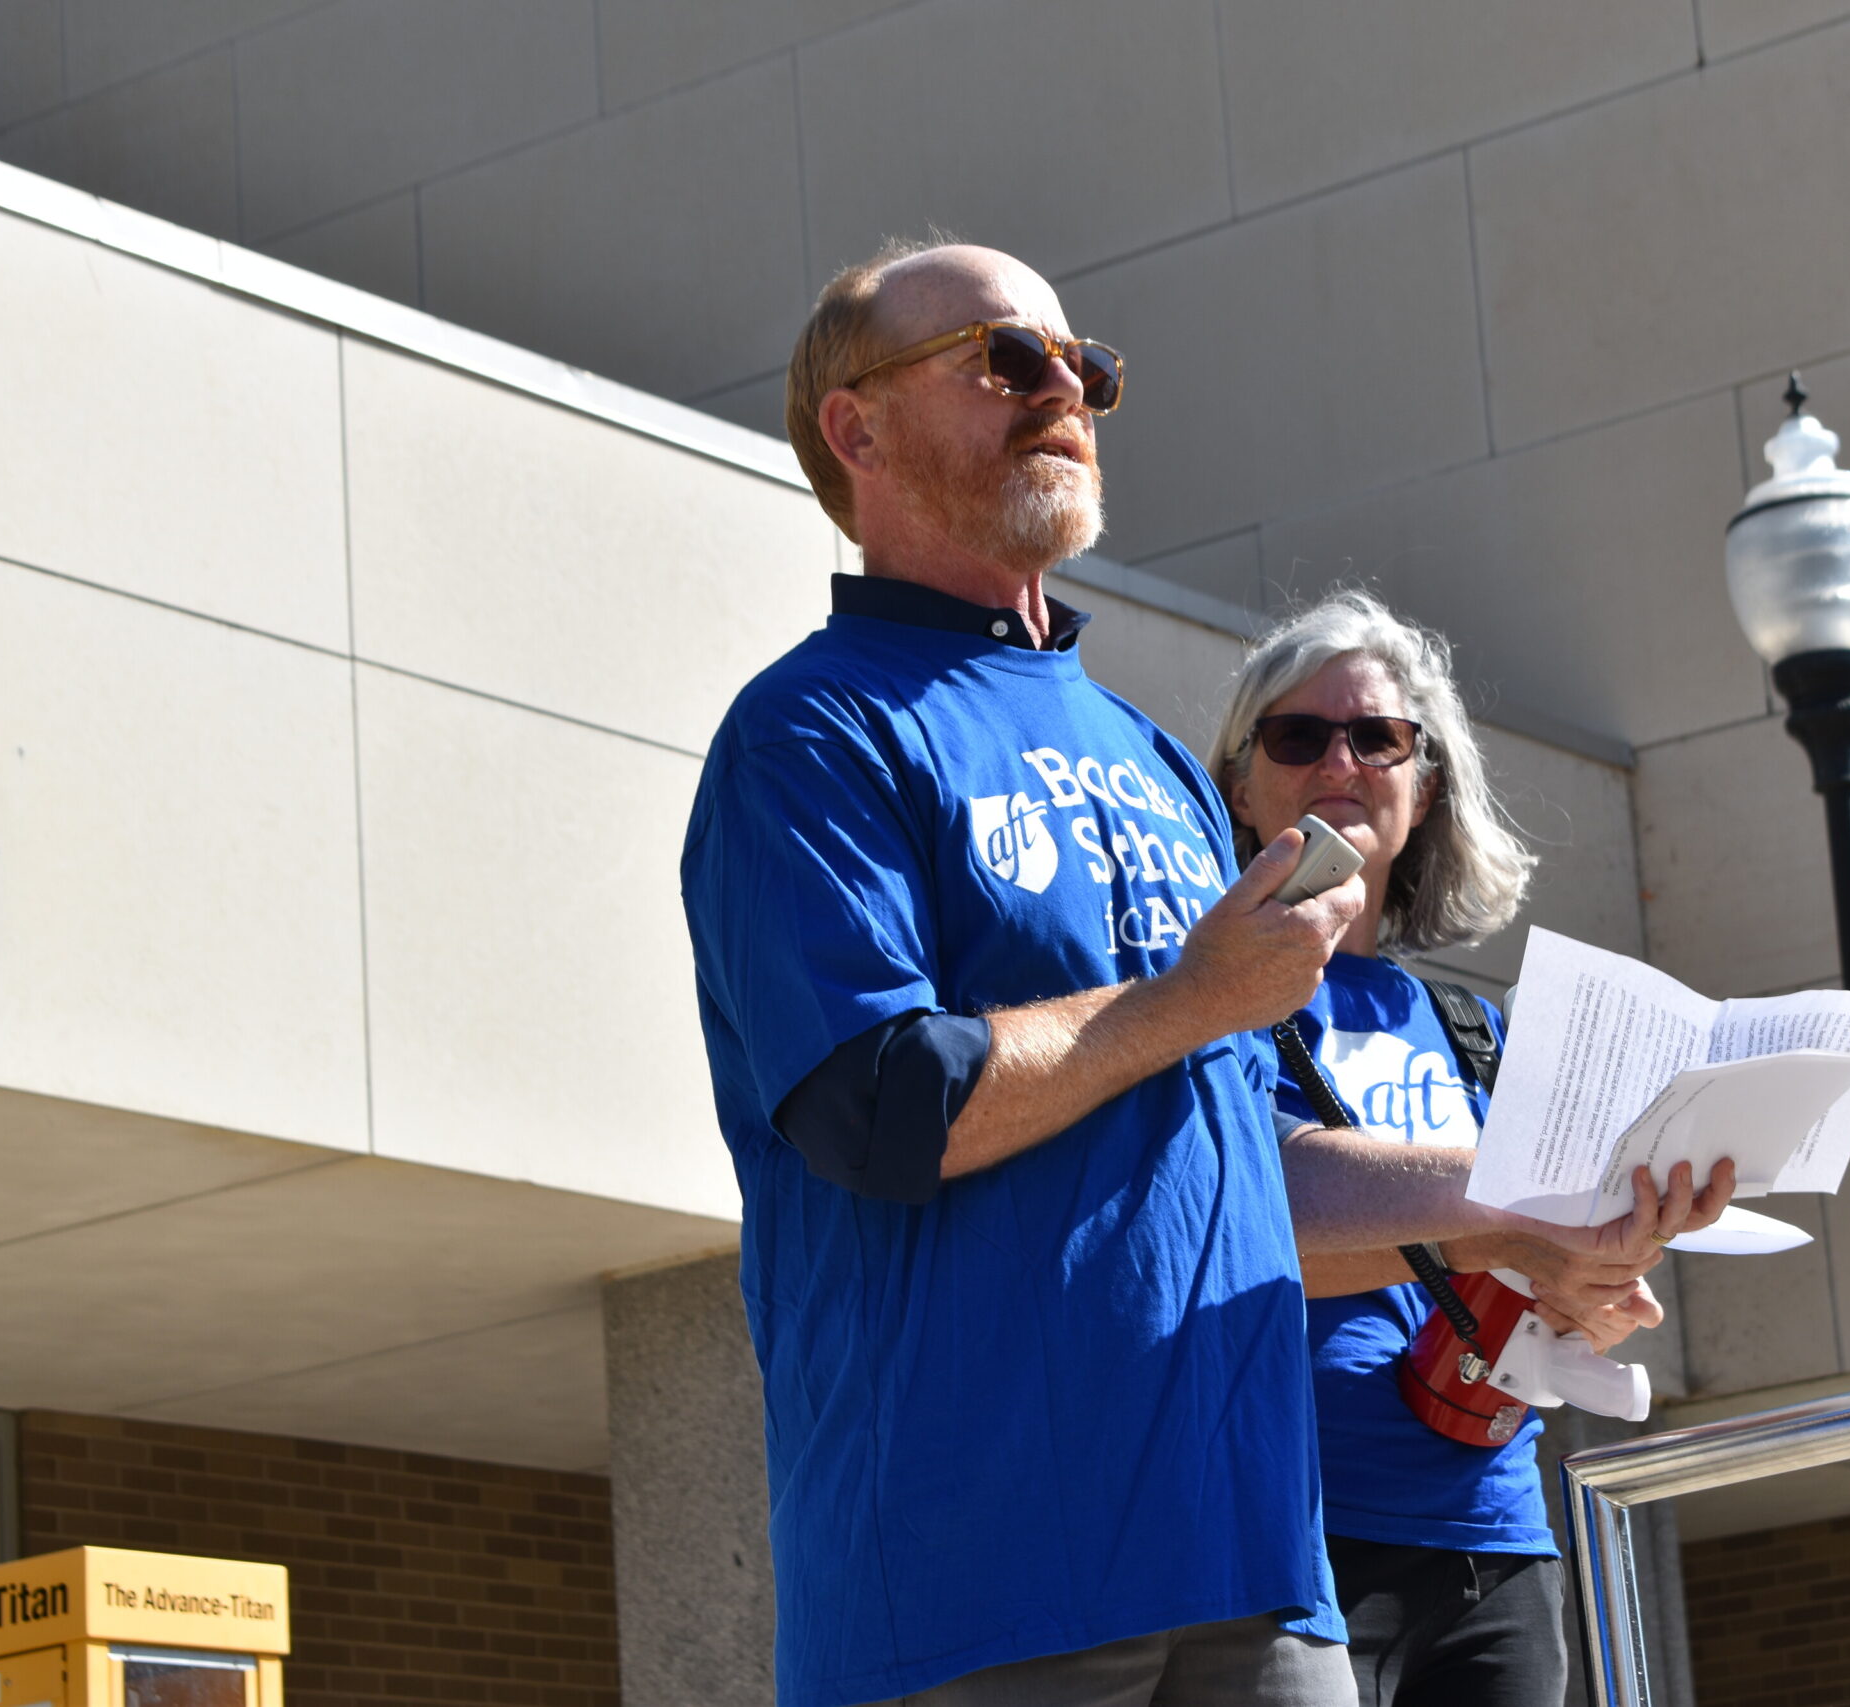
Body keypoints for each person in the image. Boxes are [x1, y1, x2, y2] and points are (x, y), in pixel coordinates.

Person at [683, 240, 1710, 1707]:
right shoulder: (812, 734)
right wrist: (1184, 999)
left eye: (1082, 367)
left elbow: (1242, 1159)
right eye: (1006, 360)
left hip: (1261, 1578)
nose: (1065, 393)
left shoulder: (1159, 764)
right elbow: (879, 1103)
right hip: (976, 1585)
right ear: (857, 429)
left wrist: (1520, 1215)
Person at [1208, 591, 1736, 1707]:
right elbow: (1245, 1231)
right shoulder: (1205, 1001)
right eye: (1297, 736)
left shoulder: (1469, 1028)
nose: (1338, 760)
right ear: (1242, 790)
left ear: (1425, 782)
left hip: (1494, 1536)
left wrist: (1600, 1272)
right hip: (1280, 1541)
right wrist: (1509, 1227)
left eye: (1377, 737)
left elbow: (1529, 1253)